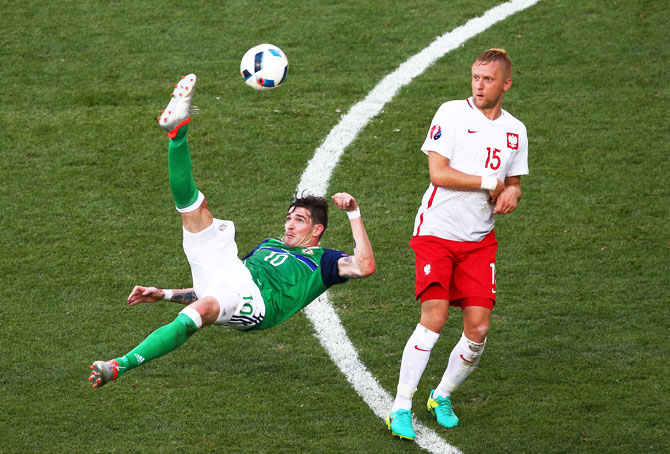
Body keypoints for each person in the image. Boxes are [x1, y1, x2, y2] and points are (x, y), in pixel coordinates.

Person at [88, 74, 375, 388]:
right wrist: (166, 294)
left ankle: (119, 365)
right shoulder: (268, 246)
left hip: (258, 305)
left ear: (317, 229)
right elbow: (216, 284)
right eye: (289, 218)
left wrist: (353, 213)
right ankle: (177, 133)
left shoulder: (324, 262)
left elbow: (364, 266)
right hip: (232, 272)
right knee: (195, 210)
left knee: (202, 312)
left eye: (299, 220)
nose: (289, 224)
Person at [386, 49, 528, 440]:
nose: (478, 85)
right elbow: (438, 173)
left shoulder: (516, 130)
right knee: (434, 318)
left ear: (506, 84)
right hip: (437, 232)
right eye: (475, 77)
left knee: (479, 328)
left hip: (479, 240)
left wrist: (512, 193)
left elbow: (513, 182)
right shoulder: (450, 113)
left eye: (487, 79)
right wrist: (490, 183)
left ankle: (441, 394)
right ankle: (399, 406)